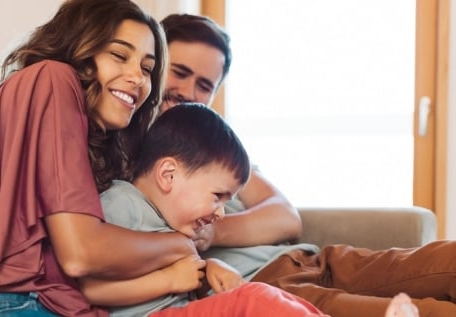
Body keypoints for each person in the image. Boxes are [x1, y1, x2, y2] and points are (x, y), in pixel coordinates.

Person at [158, 13, 456, 317]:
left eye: (204, 85)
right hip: (267, 286)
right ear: (154, 64)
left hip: (310, 260)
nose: (188, 92)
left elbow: (285, 216)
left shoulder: (215, 145)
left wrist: (214, 233)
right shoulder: (135, 155)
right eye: (179, 73)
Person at [0, 1, 200, 316]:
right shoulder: (53, 78)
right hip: (18, 305)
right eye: (119, 55)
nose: (137, 77)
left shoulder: (71, 126)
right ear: (81, 49)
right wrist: (182, 244)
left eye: (147, 68)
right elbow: (81, 253)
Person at [91, 103, 329, 317]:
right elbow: (92, 289)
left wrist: (208, 268)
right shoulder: (121, 203)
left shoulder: (174, 224)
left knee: (269, 295)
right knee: (252, 299)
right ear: (168, 175)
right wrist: (168, 280)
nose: (221, 214)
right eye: (217, 196)